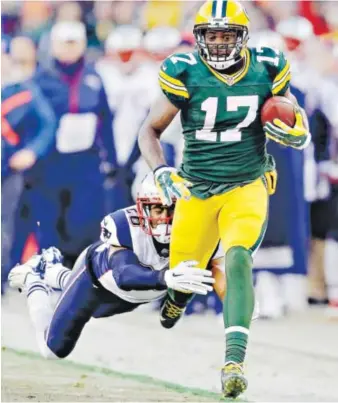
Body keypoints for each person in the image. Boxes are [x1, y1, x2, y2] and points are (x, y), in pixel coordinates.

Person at [138, 0, 311, 398]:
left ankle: (234, 360)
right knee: (184, 277)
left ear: (243, 36)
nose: (218, 43)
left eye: (226, 35)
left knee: (238, 257)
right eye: (211, 35)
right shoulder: (183, 71)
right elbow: (149, 129)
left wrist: (297, 130)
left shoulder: (267, 66)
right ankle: (176, 301)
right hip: (196, 187)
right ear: (199, 38)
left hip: (246, 183)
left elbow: (291, 111)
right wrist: (161, 170)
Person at [8, 173, 216, 359]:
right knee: (53, 350)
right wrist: (166, 278)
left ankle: (52, 270)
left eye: (173, 209)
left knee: (97, 312)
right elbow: (124, 275)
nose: (165, 218)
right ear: (142, 209)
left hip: (133, 296)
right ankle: (33, 279)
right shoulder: (125, 226)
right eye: (157, 209)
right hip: (95, 282)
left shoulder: (197, 232)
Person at [35, 21, 118, 266]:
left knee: (83, 218)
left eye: (74, 43)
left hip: (86, 159)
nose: (69, 49)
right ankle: (50, 268)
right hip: (52, 160)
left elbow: (105, 120)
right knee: (51, 216)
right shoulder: (42, 78)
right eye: (64, 43)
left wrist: (110, 158)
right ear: (54, 45)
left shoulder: (93, 76)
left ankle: (78, 269)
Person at [1, 37, 56, 290]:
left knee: (4, 223)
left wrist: (31, 151)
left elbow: (47, 123)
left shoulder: (22, 89)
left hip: (8, 167)